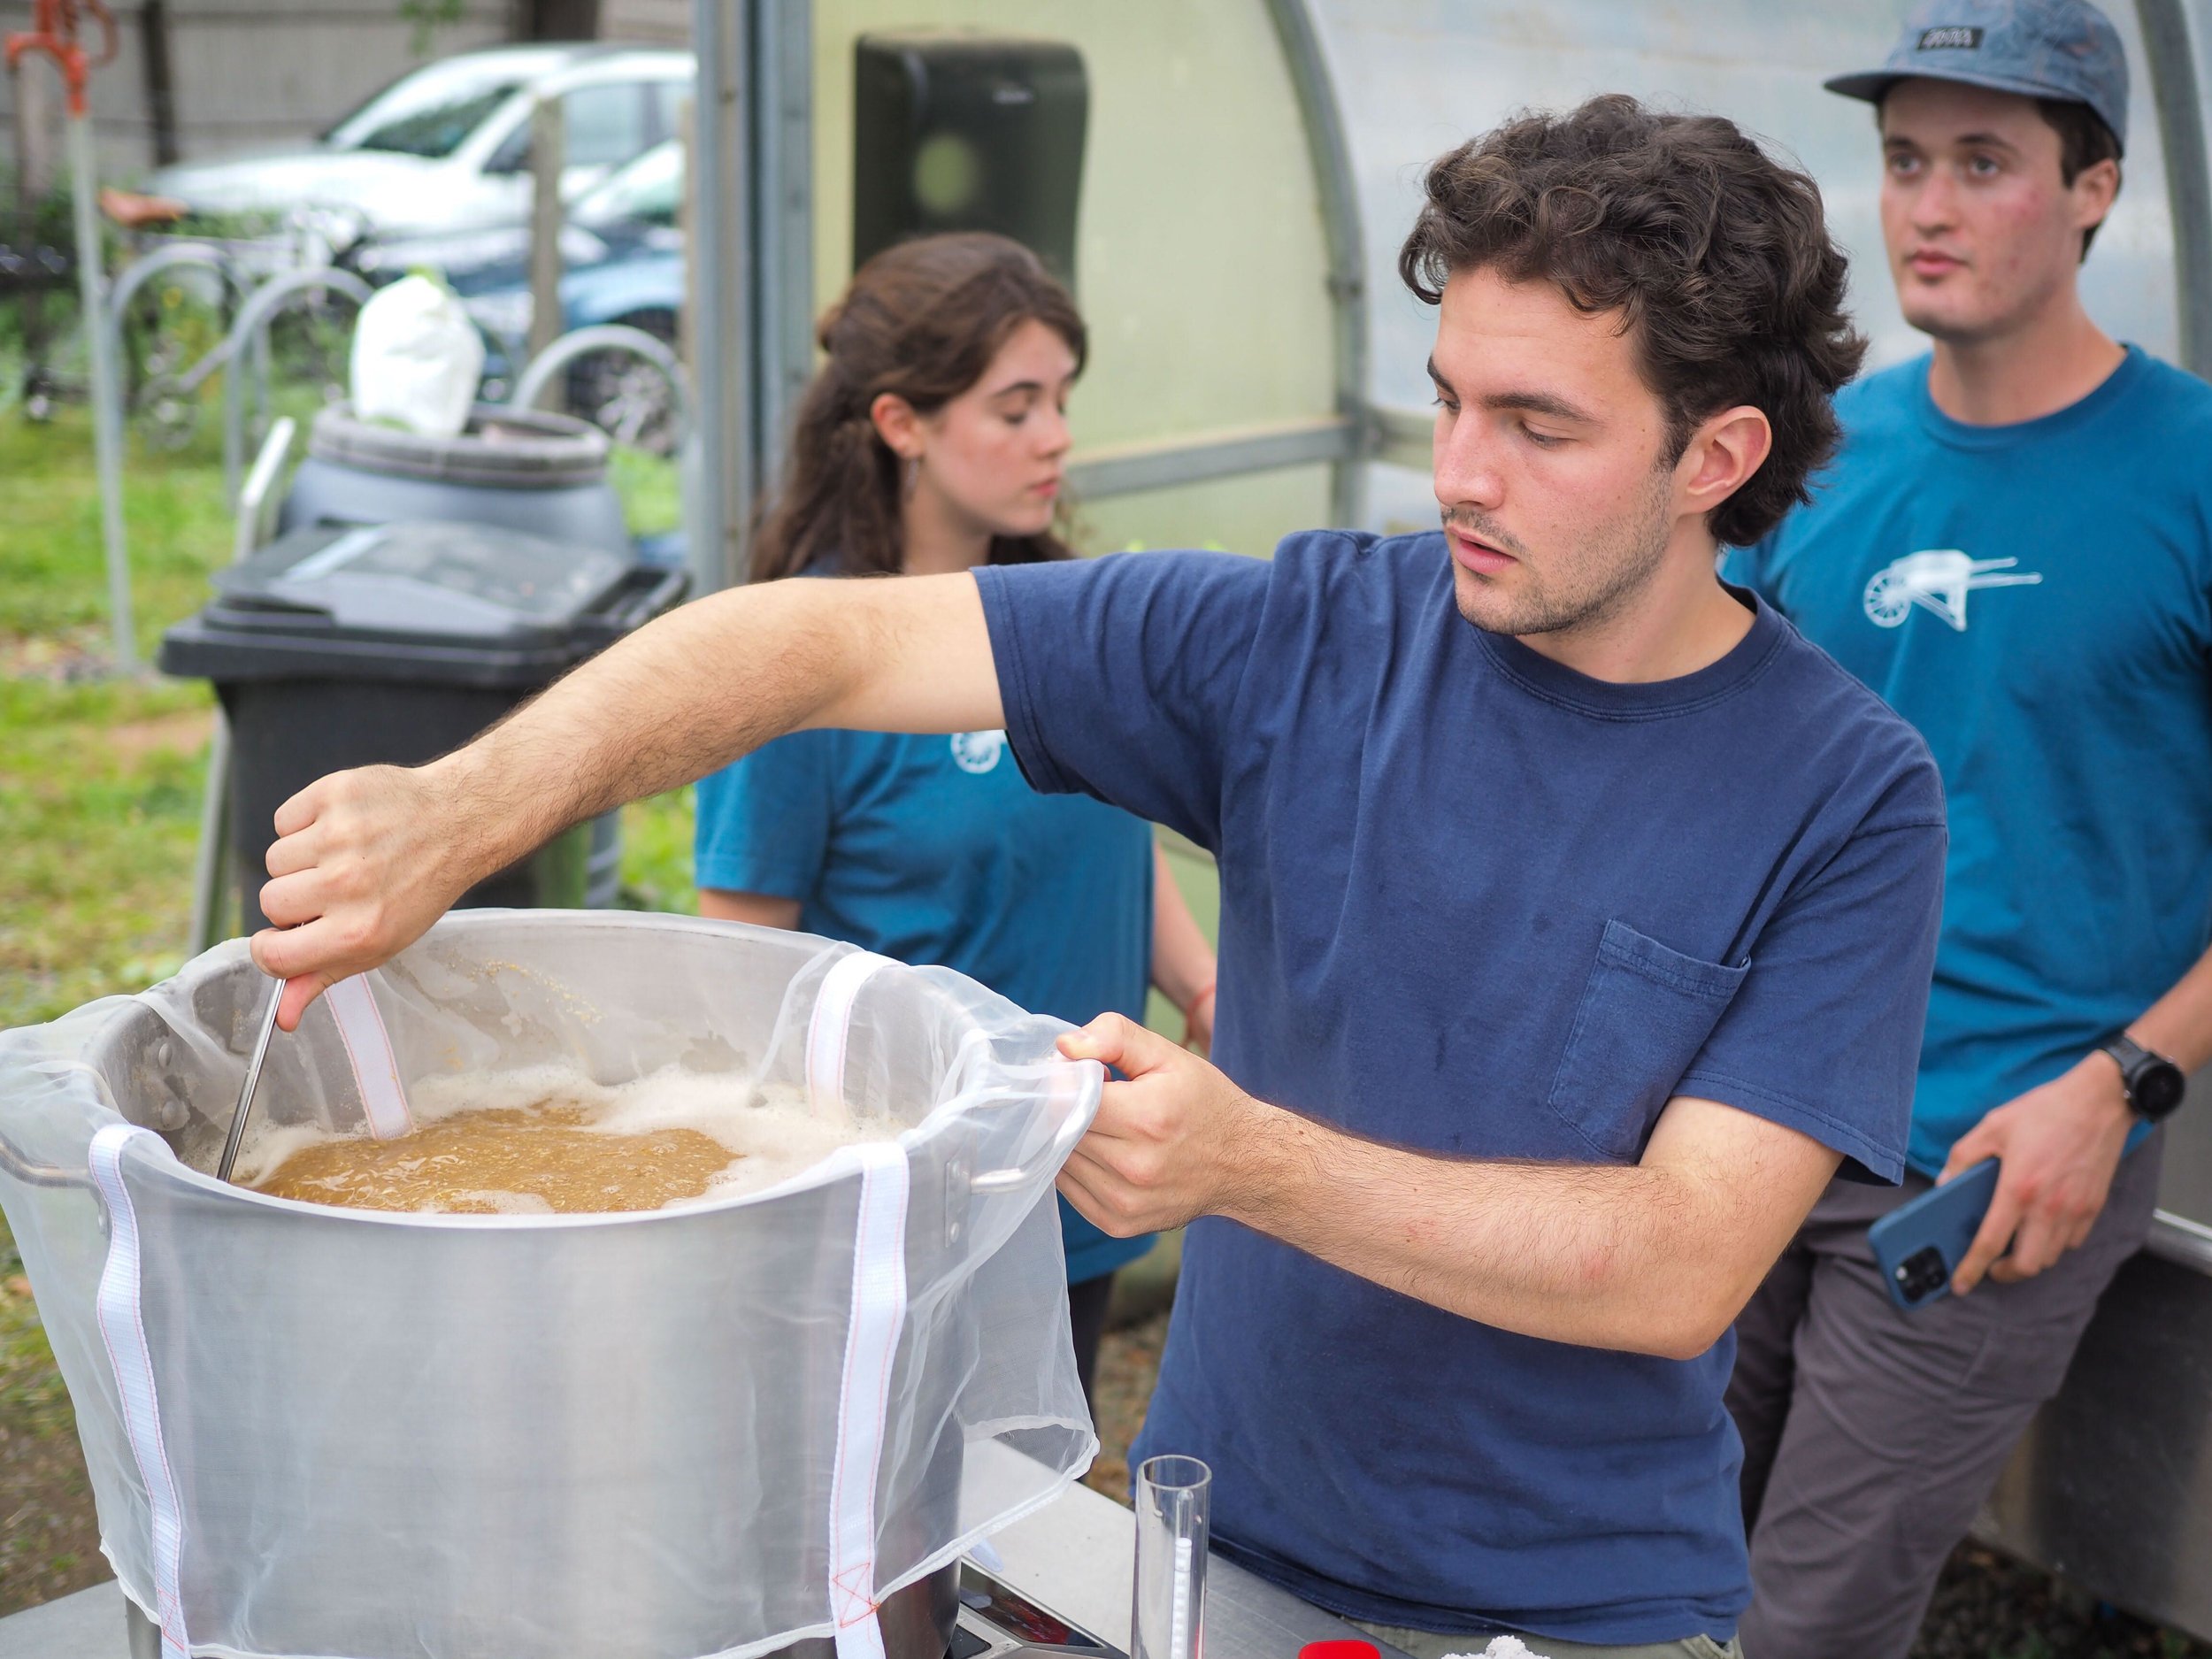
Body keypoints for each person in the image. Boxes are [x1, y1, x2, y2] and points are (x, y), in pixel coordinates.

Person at [248, 96, 1948, 1655]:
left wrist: (1245, 1160)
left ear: (1715, 458)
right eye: (1445, 399)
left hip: (1585, 1612)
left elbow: (1677, 1264)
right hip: (1215, 1560)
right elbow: (818, 642)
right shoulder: (1309, 634)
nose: (1457, 474)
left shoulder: (1846, 797)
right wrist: (465, 807)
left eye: (1538, 426)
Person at [1719, 4, 2212, 1654]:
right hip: (1756, 1106)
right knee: (1648, 1552)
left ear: (2096, 190)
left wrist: (2123, 1087)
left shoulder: (2194, 473)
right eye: (1906, 160)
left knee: (1810, 1622)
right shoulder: (1813, 455)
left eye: (1985, 163)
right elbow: (1696, 751)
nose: (1927, 207)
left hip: (2001, 1152)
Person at [688, 233, 1218, 1407]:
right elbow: (736, 986)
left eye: (1062, 402)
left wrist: (1202, 984)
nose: (1057, 437)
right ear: (901, 424)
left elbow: (1111, 827)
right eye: (1016, 406)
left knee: (1033, 1540)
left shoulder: (1065, 621)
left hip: (1076, 1176)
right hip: (910, 1224)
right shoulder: (794, 666)